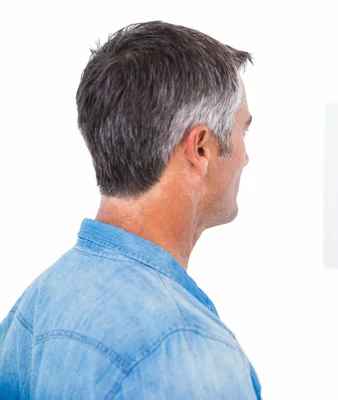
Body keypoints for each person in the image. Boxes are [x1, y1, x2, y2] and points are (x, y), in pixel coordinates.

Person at [0, 20, 261, 399]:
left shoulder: (36, 306)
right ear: (201, 148)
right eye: (243, 132)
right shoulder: (182, 350)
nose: (246, 158)